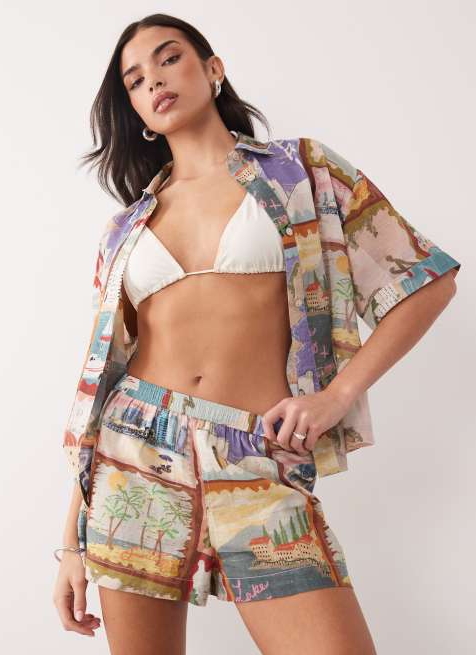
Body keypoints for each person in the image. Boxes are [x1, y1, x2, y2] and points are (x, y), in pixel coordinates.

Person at [52, 13, 461, 655]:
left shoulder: (301, 172)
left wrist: (334, 397)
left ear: (213, 69)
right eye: (134, 80)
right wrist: (71, 543)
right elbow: (105, 377)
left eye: (169, 58)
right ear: (135, 111)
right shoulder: (125, 229)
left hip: (254, 451)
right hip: (133, 452)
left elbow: (426, 282)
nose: (154, 80)